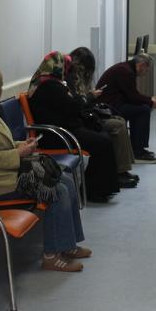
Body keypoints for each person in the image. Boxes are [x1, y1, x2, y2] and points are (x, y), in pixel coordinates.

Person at [0, 67, 89, 273]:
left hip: (9, 172)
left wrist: (22, 145)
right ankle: (51, 256)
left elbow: (2, 144)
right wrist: (19, 153)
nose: (0, 90)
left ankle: (67, 245)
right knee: (57, 190)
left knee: (65, 179)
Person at [28, 52, 123, 202]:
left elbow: (70, 104)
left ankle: (97, 187)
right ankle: (95, 191)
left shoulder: (44, 82)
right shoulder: (50, 86)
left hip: (61, 130)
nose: (68, 72)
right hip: (57, 136)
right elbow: (72, 106)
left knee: (101, 137)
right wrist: (83, 99)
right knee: (102, 143)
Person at [67, 47, 139, 187]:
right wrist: (91, 96)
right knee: (118, 126)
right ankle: (120, 171)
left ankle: (124, 169)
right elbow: (78, 103)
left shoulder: (74, 77)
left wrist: (89, 97)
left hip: (86, 115)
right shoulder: (71, 78)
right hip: (83, 119)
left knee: (119, 120)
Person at [96, 53, 156, 163]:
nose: (145, 73)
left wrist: (151, 99)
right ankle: (138, 152)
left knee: (141, 108)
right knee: (143, 110)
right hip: (108, 108)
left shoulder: (125, 68)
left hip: (111, 104)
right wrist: (151, 102)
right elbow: (133, 97)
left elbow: (132, 95)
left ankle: (137, 148)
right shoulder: (126, 72)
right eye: (146, 69)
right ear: (141, 65)